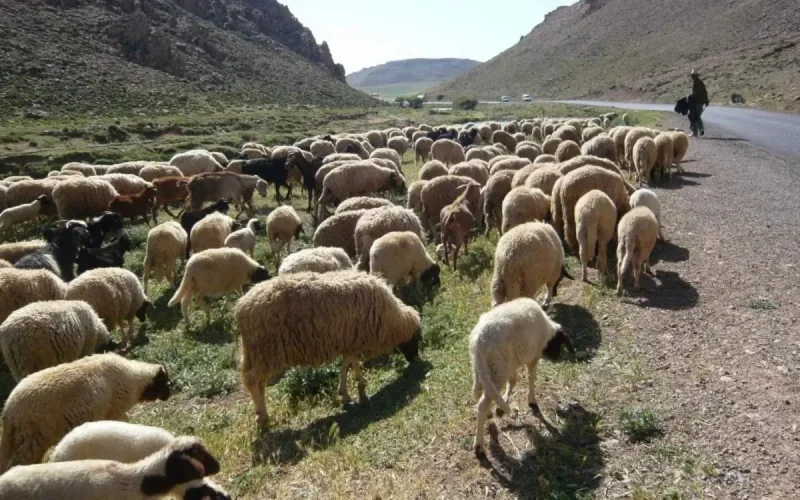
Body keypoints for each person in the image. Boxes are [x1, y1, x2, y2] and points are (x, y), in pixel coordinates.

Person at [688, 69, 709, 137]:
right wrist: (706, 101)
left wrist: (690, 97)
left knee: (694, 117)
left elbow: (697, 93)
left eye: (693, 75)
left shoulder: (697, 83)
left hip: (697, 102)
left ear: (695, 76)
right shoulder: (698, 82)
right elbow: (704, 92)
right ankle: (699, 129)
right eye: (692, 75)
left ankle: (695, 132)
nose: (692, 76)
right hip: (699, 102)